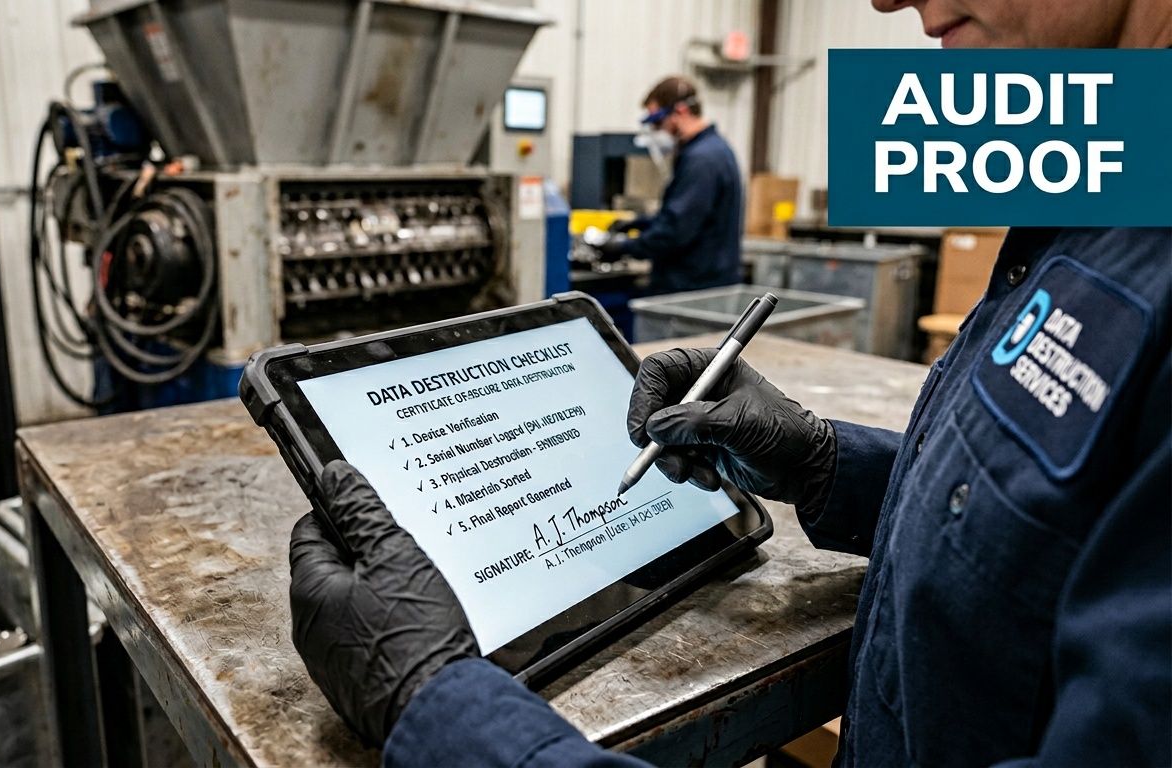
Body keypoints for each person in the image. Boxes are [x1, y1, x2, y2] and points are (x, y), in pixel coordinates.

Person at [286, 1, 1172, 765]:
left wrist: (438, 708)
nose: (886, 1)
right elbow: (1060, 521)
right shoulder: (1110, 178)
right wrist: (829, 465)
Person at [594, 76, 744, 294]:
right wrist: (639, 223)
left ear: (681, 111)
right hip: (702, 282)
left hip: (693, 289)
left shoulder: (702, 160)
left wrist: (624, 247)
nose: (655, 129)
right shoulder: (714, 149)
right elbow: (689, 216)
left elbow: (675, 231)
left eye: (657, 121)